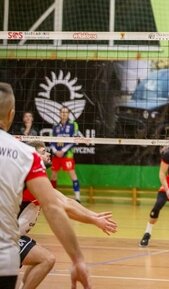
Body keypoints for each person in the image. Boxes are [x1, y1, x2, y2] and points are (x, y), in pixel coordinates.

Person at [0, 82, 91, 289]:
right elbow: (54, 206)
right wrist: (77, 258)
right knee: (46, 258)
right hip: (5, 254)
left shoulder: (32, 153)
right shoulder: (26, 156)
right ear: (12, 114)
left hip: (10, 246)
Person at [19, 140, 117, 289]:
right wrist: (93, 221)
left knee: (39, 255)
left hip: (13, 235)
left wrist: (95, 216)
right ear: (33, 156)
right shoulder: (29, 182)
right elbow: (64, 208)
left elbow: (67, 201)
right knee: (46, 259)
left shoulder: (36, 180)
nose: (48, 154)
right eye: (43, 152)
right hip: (5, 238)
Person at [50, 106, 83, 201]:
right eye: (62, 112)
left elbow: (74, 140)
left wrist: (63, 150)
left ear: (68, 114)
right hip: (56, 155)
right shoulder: (55, 126)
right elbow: (51, 140)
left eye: (66, 112)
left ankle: (77, 198)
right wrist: (55, 151)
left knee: (72, 174)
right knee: (53, 176)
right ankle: (52, 197)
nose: (64, 114)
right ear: (59, 114)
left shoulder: (73, 125)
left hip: (67, 154)